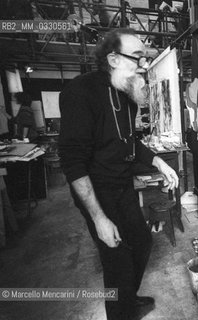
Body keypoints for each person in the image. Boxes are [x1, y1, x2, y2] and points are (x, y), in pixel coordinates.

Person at [59, 28, 179, 320]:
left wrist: (159, 163)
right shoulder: (80, 92)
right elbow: (73, 162)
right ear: (113, 58)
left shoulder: (126, 95)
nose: (143, 64)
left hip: (122, 185)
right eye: (136, 57)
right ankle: (120, 312)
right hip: (96, 191)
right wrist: (99, 218)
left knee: (141, 242)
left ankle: (128, 299)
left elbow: (130, 142)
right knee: (116, 260)